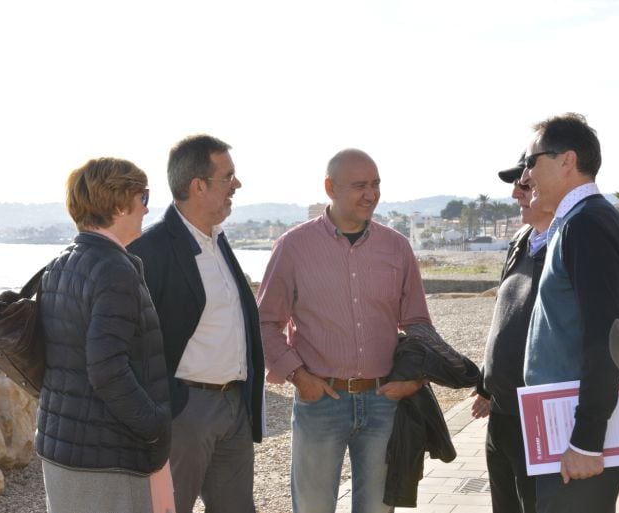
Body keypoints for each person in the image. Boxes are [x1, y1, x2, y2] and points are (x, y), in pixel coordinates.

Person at [257, 148, 430, 513]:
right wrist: (298, 376)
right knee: (314, 508)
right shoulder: (293, 247)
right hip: (321, 402)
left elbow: (418, 324)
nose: (371, 194)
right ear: (329, 187)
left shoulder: (397, 247)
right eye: (359, 186)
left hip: (384, 401)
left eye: (376, 184)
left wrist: (414, 380)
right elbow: (265, 321)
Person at [127, 134, 264, 513]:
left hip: (234, 408)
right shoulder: (148, 251)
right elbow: (130, 343)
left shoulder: (217, 240)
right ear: (198, 186)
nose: (236, 185)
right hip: (184, 411)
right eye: (228, 177)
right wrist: (162, 407)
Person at [520, 113, 619, 513]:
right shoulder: (578, 221)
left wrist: (586, 440)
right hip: (567, 429)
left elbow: (604, 338)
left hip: (579, 437)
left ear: (566, 160)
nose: (525, 175)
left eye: (531, 160)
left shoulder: (587, 224)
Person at [35, 157, 173, 513]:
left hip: (63, 447)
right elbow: (108, 370)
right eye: (143, 197)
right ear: (117, 203)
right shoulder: (113, 270)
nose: (147, 208)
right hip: (108, 456)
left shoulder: (61, 264)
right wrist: (154, 424)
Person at [471, 153, 554, 513]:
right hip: (503, 413)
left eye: (524, 185)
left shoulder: (571, 242)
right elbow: (506, 318)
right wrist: (486, 387)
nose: (516, 195)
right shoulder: (521, 240)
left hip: (541, 414)